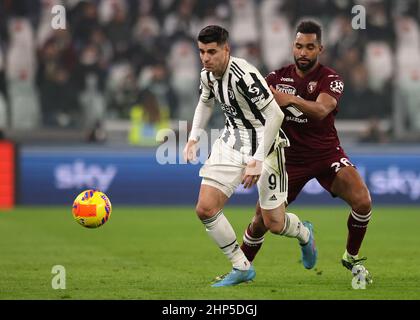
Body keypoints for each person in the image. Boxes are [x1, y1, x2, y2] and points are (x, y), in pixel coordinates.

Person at [183, 25, 317, 287]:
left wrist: (257, 158)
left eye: (212, 52)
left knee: (275, 224)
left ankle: (303, 232)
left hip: (265, 146)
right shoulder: (207, 75)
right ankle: (241, 265)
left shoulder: (244, 75)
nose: (206, 58)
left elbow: (275, 115)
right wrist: (193, 137)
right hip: (232, 142)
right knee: (205, 208)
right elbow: (206, 101)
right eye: (201, 52)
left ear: (226, 50)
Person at [240, 20, 373, 283]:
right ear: (293, 46)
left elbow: (321, 110)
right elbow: (257, 110)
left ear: (320, 48)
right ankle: (240, 268)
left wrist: (289, 99)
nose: (303, 52)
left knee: (363, 201)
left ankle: (351, 257)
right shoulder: (276, 78)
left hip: (326, 154)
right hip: (287, 160)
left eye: (310, 47)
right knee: (261, 222)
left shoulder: (330, 78)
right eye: (299, 46)